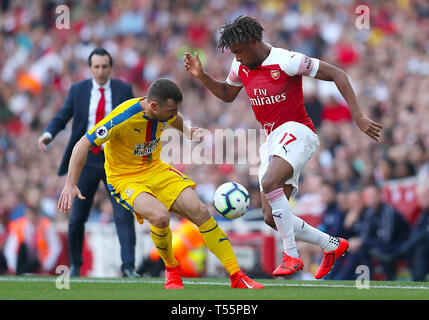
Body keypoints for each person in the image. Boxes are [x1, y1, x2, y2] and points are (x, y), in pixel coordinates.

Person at [184, 15, 383, 278]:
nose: (238, 58)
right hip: (273, 140)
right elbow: (227, 94)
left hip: (298, 130)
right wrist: (202, 76)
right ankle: (330, 244)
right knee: (271, 216)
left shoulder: (287, 60)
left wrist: (357, 115)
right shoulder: (240, 65)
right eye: (234, 53)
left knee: (269, 181)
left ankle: (291, 255)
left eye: (239, 51)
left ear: (254, 42)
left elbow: (338, 73)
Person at [57, 78, 264, 289]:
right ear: (154, 106)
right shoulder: (122, 118)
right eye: (171, 111)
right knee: (160, 216)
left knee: (201, 211)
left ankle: (236, 275)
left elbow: (174, 118)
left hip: (155, 169)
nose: (174, 114)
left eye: (176, 110)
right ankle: (172, 270)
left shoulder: (164, 112)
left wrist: (188, 131)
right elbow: (83, 143)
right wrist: (70, 184)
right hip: (125, 178)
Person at [38, 48, 138, 277]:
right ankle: (75, 265)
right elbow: (63, 116)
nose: (101, 71)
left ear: (111, 68)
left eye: (104, 66)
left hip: (115, 160)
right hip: (86, 160)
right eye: (96, 66)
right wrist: (48, 134)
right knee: (77, 217)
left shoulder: (123, 89)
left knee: (123, 213)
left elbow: (134, 120)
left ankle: (128, 266)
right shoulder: (78, 90)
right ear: (90, 67)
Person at [4, 206, 62, 275]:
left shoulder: (46, 226)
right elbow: (10, 248)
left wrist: (47, 265)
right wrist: (13, 266)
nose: (31, 217)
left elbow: (55, 247)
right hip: (22, 262)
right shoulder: (19, 226)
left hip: (40, 262)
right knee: (23, 246)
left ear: (38, 215)